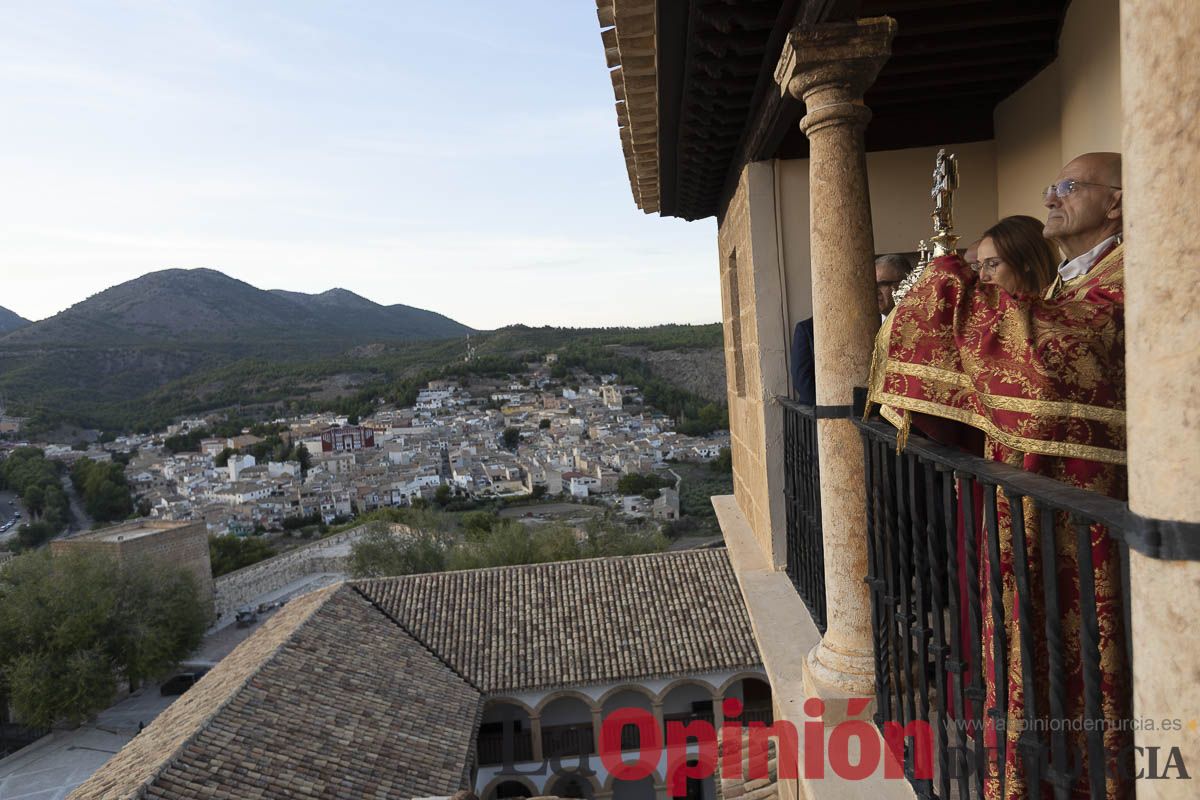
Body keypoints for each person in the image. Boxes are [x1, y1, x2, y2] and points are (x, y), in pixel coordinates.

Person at [868, 152, 1128, 800]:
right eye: (1049, 186)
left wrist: (953, 288)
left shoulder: (1132, 274)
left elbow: (1053, 357)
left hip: (1083, 515)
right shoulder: (1075, 284)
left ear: (1117, 201)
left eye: (1067, 187)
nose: (1050, 197)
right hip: (1041, 508)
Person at [971, 215, 1058, 296]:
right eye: (978, 266)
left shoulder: (1061, 308)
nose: (982, 277)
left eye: (992, 264)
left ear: (1026, 261)